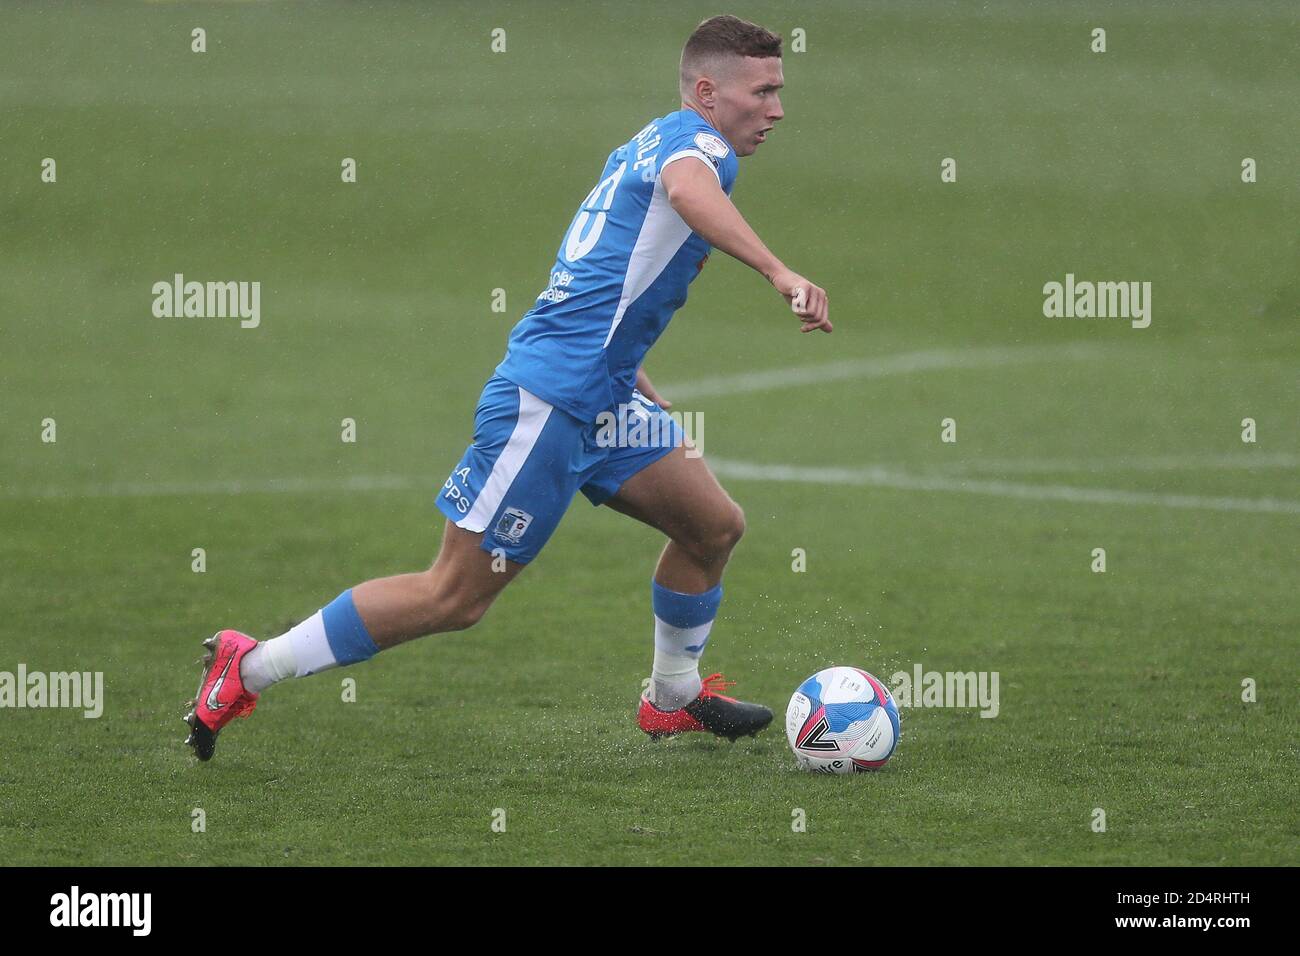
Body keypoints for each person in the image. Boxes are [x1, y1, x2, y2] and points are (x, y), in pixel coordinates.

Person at [184, 14, 831, 761]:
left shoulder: (646, 142)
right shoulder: (699, 151)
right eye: (765, 91)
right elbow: (688, 194)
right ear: (710, 91)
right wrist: (780, 272)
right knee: (454, 597)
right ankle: (249, 664)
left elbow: (602, 263)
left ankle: (673, 697)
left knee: (712, 526)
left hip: (604, 394)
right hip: (549, 403)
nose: (777, 110)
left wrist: (628, 363)